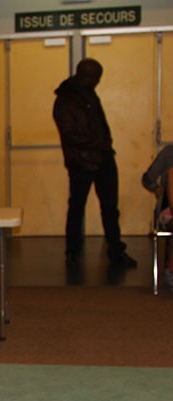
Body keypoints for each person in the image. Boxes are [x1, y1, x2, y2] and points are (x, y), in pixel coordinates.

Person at [53, 59, 137, 269]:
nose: (99, 81)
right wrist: (100, 143)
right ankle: (73, 251)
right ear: (87, 75)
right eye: (97, 76)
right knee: (77, 207)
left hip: (103, 159)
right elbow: (70, 134)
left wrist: (104, 146)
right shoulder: (66, 100)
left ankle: (115, 250)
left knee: (110, 208)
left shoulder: (87, 94)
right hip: (81, 162)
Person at [142, 144, 173, 290]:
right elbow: (147, 178)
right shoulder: (170, 153)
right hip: (169, 210)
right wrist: (156, 188)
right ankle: (170, 269)